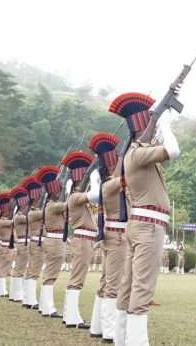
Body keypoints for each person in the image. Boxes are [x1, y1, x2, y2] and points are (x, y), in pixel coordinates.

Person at [109, 92, 181, 346]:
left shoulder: (135, 155)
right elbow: (173, 150)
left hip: (141, 225)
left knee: (129, 284)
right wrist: (165, 123)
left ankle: (121, 338)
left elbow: (159, 146)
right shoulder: (137, 154)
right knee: (143, 286)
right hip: (149, 226)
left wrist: (159, 120)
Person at [85, 131, 123, 343]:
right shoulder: (109, 184)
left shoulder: (103, 182)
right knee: (113, 284)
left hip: (111, 234)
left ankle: (97, 326)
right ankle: (109, 332)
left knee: (106, 280)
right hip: (117, 235)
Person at [60, 151, 96, 329]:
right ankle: (72, 317)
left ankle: (69, 315)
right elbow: (96, 195)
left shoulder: (77, 197)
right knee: (77, 278)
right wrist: (94, 179)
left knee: (77, 277)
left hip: (85, 239)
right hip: (82, 239)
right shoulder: (75, 197)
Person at [36, 166, 64, 318]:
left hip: (52, 240)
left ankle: (44, 306)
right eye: (58, 191)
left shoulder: (49, 205)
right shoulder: (53, 206)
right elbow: (68, 205)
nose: (60, 193)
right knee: (51, 275)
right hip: (55, 241)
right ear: (54, 192)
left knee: (49, 273)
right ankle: (48, 308)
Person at [22, 176, 44, 310]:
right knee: (34, 271)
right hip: (36, 243)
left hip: (35, 242)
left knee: (32, 270)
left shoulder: (31, 211)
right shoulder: (34, 212)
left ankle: (27, 299)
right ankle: (30, 300)